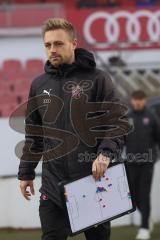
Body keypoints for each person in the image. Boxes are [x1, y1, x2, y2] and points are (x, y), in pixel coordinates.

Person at [18, 18, 129, 240]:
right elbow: (34, 134)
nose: (52, 49)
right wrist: (26, 172)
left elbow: (117, 123)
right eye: (48, 45)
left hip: (92, 182)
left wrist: (105, 154)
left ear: (74, 43)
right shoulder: (39, 85)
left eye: (58, 44)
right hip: (52, 186)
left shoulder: (98, 79)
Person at [126, 90, 160, 240]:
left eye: (140, 99)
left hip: (147, 163)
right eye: (135, 99)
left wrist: (155, 158)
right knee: (132, 196)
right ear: (132, 100)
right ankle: (147, 218)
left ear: (144, 100)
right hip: (130, 163)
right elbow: (120, 140)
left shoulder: (151, 116)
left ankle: (144, 228)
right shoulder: (127, 117)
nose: (138, 102)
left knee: (144, 195)